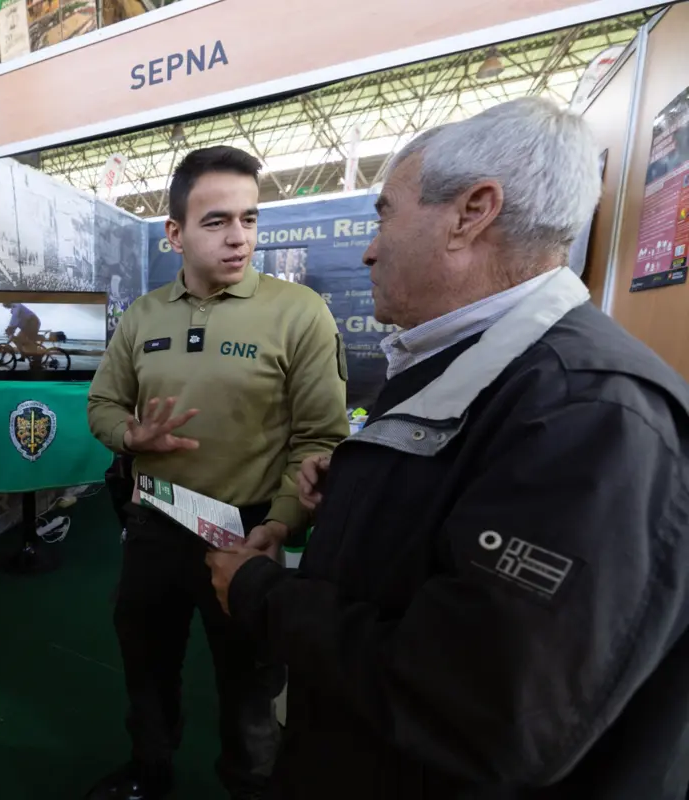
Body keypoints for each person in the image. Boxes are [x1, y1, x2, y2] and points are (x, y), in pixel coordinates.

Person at [209, 97, 689, 799]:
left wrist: (261, 595)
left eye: (385, 215)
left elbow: (482, 706)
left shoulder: (590, 414)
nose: (370, 249)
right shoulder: (485, 364)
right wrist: (364, 486)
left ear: (472, 213)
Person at [85, 145, 351, 800]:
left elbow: (320, 438)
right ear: (174, 233)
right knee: (146, 660)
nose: (239, 237)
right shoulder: (143, 315)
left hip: (247, 532)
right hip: (154, 523)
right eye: (217, 221)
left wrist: (280, 525)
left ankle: (252, 785)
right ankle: (150, 769)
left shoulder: (299, 312)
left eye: (249, 219)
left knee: (251, 681)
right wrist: (131, 435)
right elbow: (102, 405)